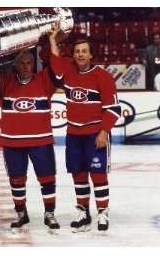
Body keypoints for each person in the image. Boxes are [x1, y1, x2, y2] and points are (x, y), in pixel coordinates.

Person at [0, 41, 60, 233]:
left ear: (34, 64)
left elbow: (57, 67)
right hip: (13, 142)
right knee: (16, 179)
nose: (25, 66)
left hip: (41, 141)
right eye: (21, 63)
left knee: (47, 178)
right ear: (15, 65)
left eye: (28, 63)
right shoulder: (6, 81)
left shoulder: (44, 81)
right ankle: (21, 213)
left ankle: (49, 213)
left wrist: (53, 40)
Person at [48, 24, 121, 232]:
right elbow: (55, 61)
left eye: (84, 51)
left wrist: (104, 131)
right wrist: (53, 39)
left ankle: (102, 213)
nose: (80, 55)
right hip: (74, 134)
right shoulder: (69, 70)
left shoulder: (103, 76)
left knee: (98, 175)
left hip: (95, 134)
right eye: (77, 51)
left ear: (91, 55)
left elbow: (114, 109)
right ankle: (83, 211)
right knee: (78, 174)